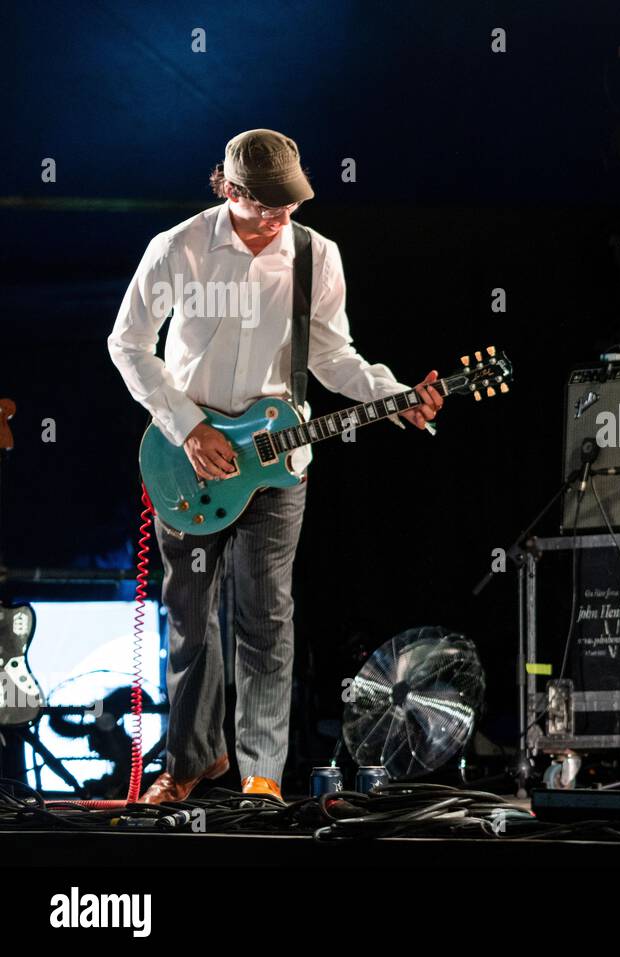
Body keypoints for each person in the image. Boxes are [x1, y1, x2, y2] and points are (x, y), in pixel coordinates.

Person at [107, 129, 442, 802]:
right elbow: (128, 342)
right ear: (229, 190)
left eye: (290, 201)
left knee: (266, 616)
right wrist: (189, 426)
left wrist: (391, 394)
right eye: (266, 204)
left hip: (276, 463)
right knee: (192, 617)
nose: (281, 216)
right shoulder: (179, 248)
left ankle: (261, 772)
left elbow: (333, 356)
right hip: (190, 459)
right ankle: (193, 759)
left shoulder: (316, 255)